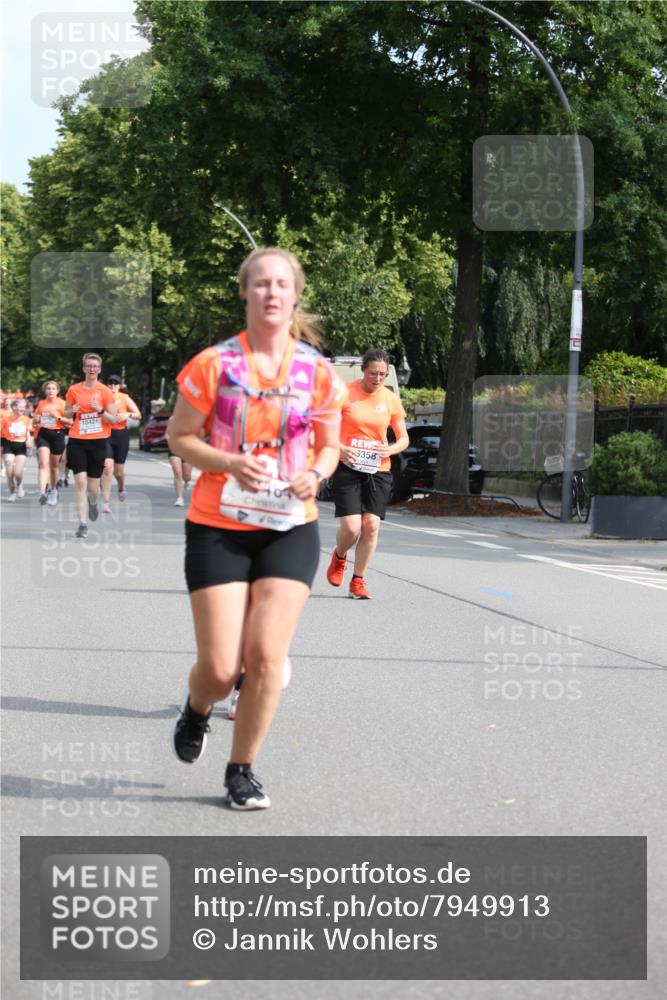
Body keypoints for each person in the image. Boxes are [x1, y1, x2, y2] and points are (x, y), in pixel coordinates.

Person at [167, 247, 345, 810]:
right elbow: (179, 437)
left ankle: (242, 769)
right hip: (219, 525)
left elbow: (330, 446)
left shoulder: (316, 372)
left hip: (290, 526)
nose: (271, 292)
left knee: (266, 657)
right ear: (244, 293)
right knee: (221, 670)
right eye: (261, 283)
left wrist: (315, 474)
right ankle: (198, 709)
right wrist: (228, 463)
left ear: (295, 296)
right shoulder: (213, 365)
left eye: (281, 284)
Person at [326, 347, 409, 599]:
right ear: (363, 370)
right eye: (373, 373)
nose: (378, 379)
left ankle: (358, 581)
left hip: (378, 468)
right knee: (352, 528)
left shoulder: (390, 399)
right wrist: (340, 449)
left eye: (383, 374)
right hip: (347, 466)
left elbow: (403, 437)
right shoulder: (344, 394)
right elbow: (325, 428)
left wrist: (391, 448)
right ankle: (340, 556)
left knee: (371, 525)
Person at [64, 353, 117, 538]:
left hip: (98, 442)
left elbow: (113, 419)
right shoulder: (74, 390)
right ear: (84, 368)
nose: (92, 369)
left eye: (95, 366)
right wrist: (73, 410)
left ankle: (93, 503)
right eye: (89, 366)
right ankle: (82, 523)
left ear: (99, 369)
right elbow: (67, 415)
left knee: (93, 488)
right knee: (80, 482)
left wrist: (99, 409)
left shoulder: (105, 391)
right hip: (77, 440)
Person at [100, 375, 142, 511]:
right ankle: (105, 502)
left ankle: (121, 487)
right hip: (105, 434)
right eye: (110, 384)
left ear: (119, 386)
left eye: (115, 384)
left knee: (118, 472)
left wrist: (127, 415)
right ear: (106, 385)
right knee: (106, 468)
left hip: (120, 436)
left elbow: (138, 414)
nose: (112, 387)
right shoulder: (100, 397)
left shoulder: (124, 398)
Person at [33, 380, 72, 506]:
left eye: (53, 388)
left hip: (58, 435)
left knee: (54, 467)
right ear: (45, 391)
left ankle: (54, 490)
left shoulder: (63, 404)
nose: (50, 390)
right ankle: (42, 492)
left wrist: (57, 417)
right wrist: (36, 419)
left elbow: (70, 423)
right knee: (44, 463)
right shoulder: (41, 403)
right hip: (43, 434)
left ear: (57, 391)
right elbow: (34, 422)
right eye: (48, 388)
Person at [1, 399, 33, 501]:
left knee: (18, 473)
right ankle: (12, 493)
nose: (23, 409)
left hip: (21, 446)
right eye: (20, 407)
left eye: (24, 407)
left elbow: (28, 432)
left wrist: (28, 441)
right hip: (8, 444)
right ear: (14, 407)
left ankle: (19, 485)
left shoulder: (26, 419)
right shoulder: (6, 419)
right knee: (9, 471)